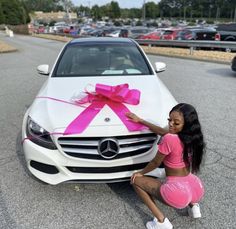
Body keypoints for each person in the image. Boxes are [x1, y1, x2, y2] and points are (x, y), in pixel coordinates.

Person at [126, 103, 205, 229]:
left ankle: (161, 222)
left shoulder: (170, 139)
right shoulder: (194, 138)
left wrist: (141, 172)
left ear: (186, 125)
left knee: (135, 180)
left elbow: (155, 163)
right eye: (169, 120)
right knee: (186, 181)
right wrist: (140, 120)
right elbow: (163, 131)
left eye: (176, 122)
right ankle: (194, 207)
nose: (171, 124)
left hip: (177, 192)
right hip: (195, 187)